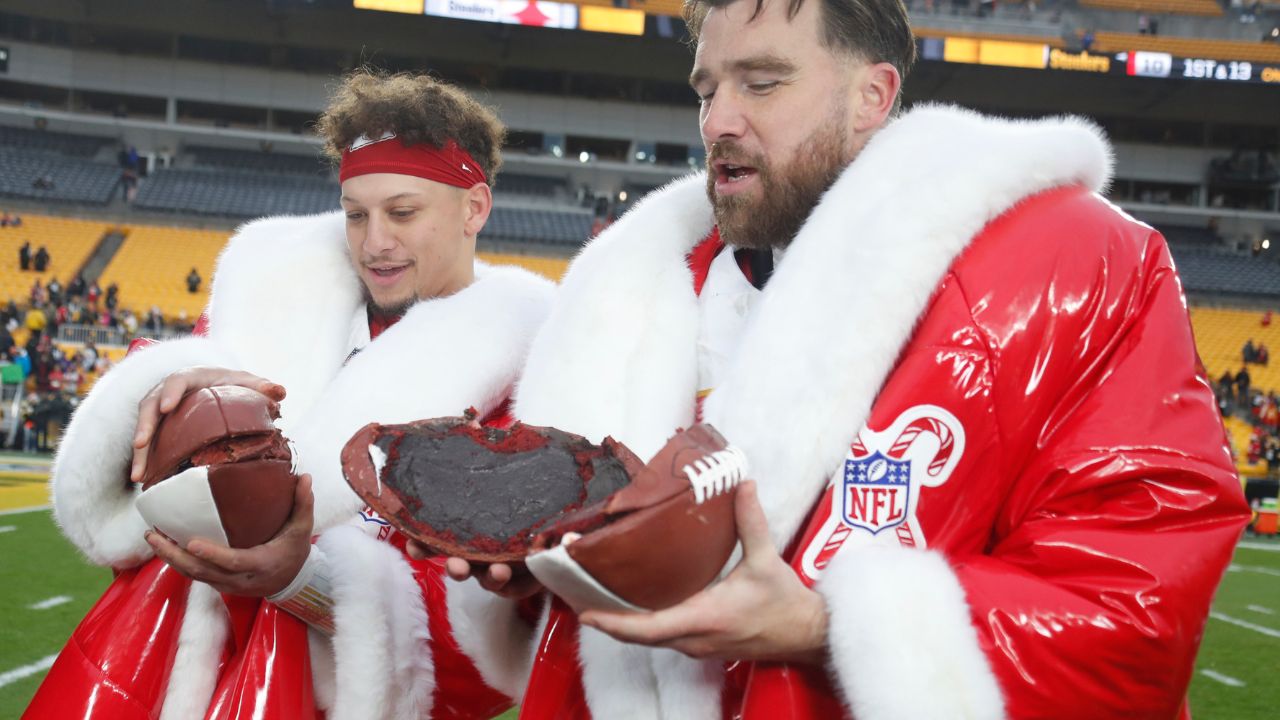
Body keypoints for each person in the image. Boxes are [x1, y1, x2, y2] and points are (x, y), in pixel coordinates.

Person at [425, 0, 1250, 717]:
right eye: (707, 90)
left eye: (763, 81)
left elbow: (1139, 604)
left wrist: (829, 629)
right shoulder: (625, 291)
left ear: (873, 96)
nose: (718, 122)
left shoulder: (1070, 266)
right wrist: (540, 572)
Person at [29, 70, 555, 720]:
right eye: (356, 214)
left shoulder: (528, 385)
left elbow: (475, 651)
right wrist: (173, 399)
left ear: (474, 207)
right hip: (157, 661)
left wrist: (297, 579)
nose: (375, 242)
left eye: (403, 212)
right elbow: (140, 472)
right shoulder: (269, 305)